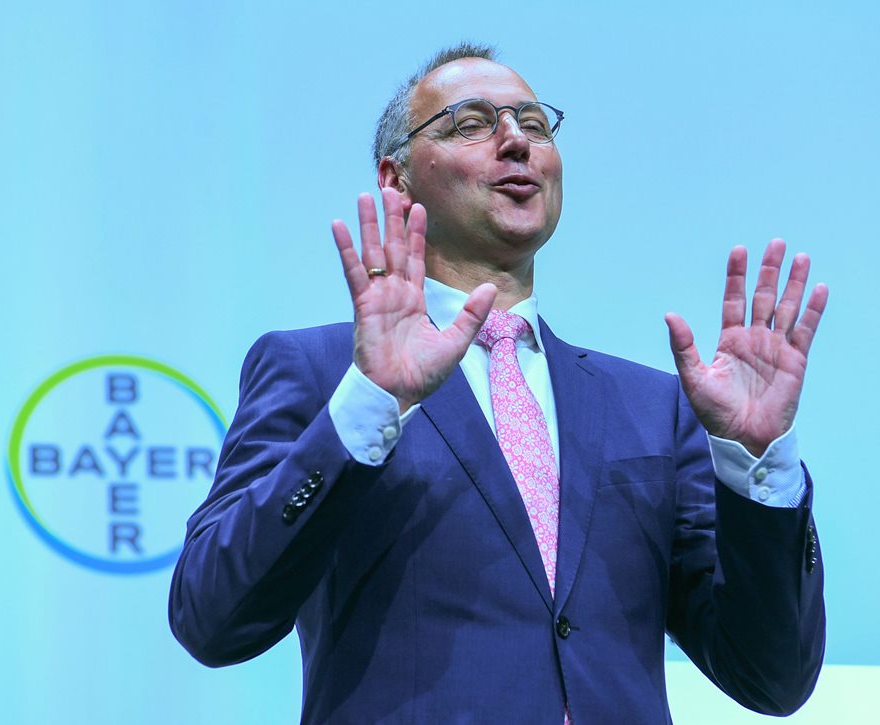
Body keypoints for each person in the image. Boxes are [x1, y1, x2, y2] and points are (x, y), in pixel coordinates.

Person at [170, 42, 828, 723]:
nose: (516, 141)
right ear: (396, 180)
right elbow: (212, 618)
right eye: (471, 123)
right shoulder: (320, 373)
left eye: (535, 124)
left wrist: (760, 467)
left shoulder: (655, 407)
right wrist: (369, 401)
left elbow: (772, 677)